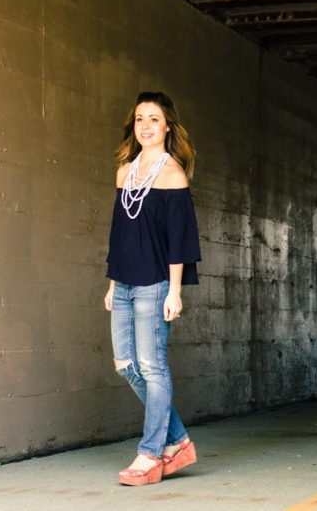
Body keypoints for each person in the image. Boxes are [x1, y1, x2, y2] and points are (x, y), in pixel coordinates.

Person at [104, 91, 201, 486]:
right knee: (125, 365)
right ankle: (177, 440)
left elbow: (179, 240)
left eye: (154, 119)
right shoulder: (125, 172)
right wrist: (112, 284)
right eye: (140, 119)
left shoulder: (173, 173)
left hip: (155, 283)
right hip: (125, 280)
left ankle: (150, 454)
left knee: (152, 365)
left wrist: (174, 291)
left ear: (167, 127)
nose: (146, 126)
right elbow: (119, 234)